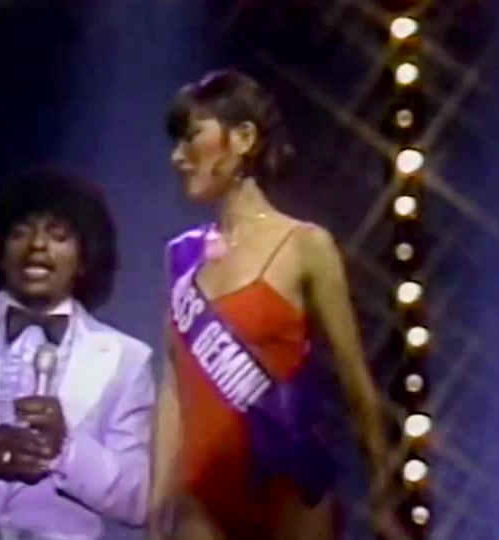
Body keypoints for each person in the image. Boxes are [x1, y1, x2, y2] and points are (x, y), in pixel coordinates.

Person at [151, 70, 387, 540]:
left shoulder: (306, 246)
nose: (177, 157)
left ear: (244, 138)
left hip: (291, 490)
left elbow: (354, 380)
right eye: (175, 143)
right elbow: (174, 387)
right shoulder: (181, 257)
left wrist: (384, 490)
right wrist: (157, 504)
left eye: (191, 136)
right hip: (203, 501)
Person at [0, 170, 154, 539]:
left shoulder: (128, 359)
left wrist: (66, 450)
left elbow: (138, 500)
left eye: (59, 236)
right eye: (20, 232)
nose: (37, 245)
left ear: (85, 259)